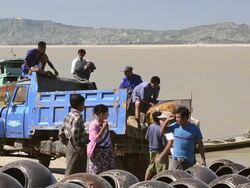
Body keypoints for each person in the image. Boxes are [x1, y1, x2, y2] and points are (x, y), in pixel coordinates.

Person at [161, 106, 206, 170]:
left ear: (185, 118)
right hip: (176, 160)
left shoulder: (194, 129)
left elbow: (200, 145)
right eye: (176, 117)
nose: (176, 119)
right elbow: (163, 131)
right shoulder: (175, 126)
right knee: (175, 178)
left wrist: (203, 159)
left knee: (188, 179)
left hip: (189, 161)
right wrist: (167, 120)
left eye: (178, 117)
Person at [62, 94, 88, 176]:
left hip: (71, 145)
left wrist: (66, 143)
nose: (84, 106)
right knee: (75, 171)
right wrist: (78, 148)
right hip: (77, 146)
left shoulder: (68, 115)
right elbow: (74, 135)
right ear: (80, 105)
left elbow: (61, 131)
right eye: (83, 104)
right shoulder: (78, 117)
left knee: (70, 168)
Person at [87, 104, 115, 175]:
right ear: (101, 114)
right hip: (97, 152)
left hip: (106, 151)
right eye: (106, 113)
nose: (108, 115)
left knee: (107, 172)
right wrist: (103, 128)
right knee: (97, 172)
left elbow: (108, 137)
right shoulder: (94, 124)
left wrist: (111, 149)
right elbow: (95, 139)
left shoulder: (105, 124)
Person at [144, 111, 169, 180]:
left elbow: (146, 137)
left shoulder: (150, 127)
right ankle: (160, 182)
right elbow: (164, 142)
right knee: (161, 168)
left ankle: (145, 180)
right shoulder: (161, 129)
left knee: (151, 167)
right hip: (159, 151)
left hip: (151, 150)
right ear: (159, 119)